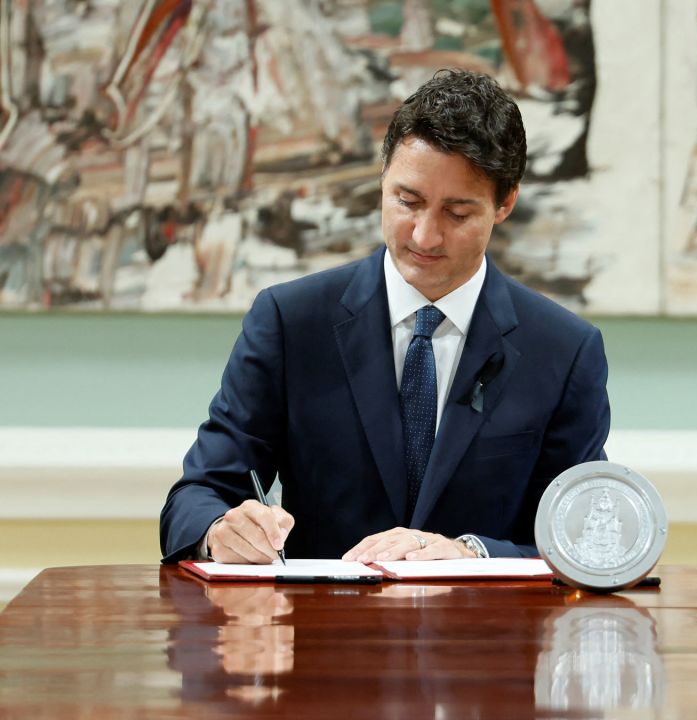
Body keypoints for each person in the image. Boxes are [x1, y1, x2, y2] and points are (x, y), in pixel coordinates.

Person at [161, 69, 610, 564]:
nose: (424, 236)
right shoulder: (290, 322)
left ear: (505, 204)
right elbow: (195, 497)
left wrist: (473, 554)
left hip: (487, 635)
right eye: (407, 201)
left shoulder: (564, 350)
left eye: (457, 214)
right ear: (382, 181)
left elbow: (587, 542)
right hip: (322, 631)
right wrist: (221, 529)